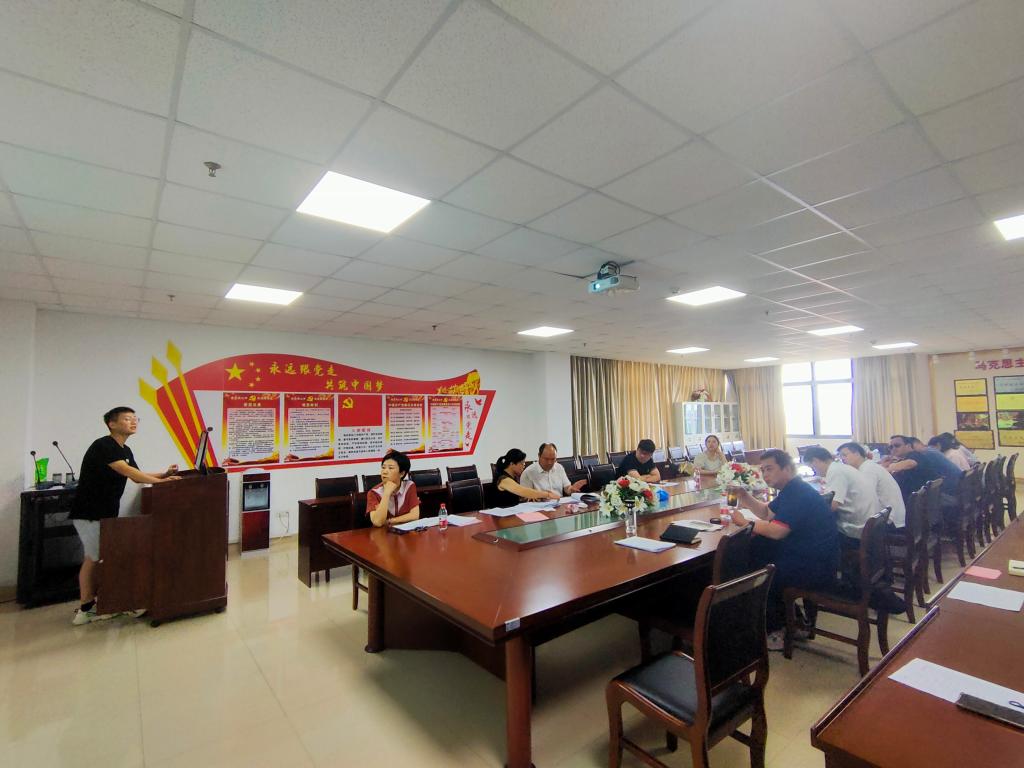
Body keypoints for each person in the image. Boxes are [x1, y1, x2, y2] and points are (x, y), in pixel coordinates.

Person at [70, 406, 179, 625]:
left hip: (105, 512)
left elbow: (138, 476)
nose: (133, 422)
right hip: (89, 512)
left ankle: (101, 603)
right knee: (95, 558)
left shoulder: (124, 450)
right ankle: (87, 608)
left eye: (135, 418)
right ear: (112, 424)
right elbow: (127, 471)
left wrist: (164, 474)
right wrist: (162, 483)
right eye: (127, 419)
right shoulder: (104, 445)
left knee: (97, 557)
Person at [731, 449, 838, 651]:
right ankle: (794, 620)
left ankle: (777, 630)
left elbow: (777, 531)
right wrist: (744, 496)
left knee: (761, 572)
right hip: (808, 555)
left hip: (815, 565)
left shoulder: (798, 494)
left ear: (787, 468)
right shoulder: (792, 489)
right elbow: (767, 513)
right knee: (758, 553)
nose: (765, 474)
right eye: (763, 470)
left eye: (769, 469)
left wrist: (745, 523)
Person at [802, 446, 876, 543]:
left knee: (811, 532)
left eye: (812, 468)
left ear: (816, 461)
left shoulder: (835, 472)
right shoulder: (840, 467)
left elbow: (832, 506)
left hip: (857, 531)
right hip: (868, 525)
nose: (814, 472)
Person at [838, 442, 906, 528]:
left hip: (890, 521)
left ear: (857, 454)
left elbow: (864, 498)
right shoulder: (868, 466)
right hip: (887, 515)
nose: (842, 459)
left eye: (844, 455)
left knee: (840, 523)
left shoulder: (867, 470)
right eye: (840, 457)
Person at [367, 450, 420, 527]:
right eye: (383, 467)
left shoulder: (409, 486)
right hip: (382, 533)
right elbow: (378, 522)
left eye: (390, 468)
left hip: (404, 531)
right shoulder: (373, 493)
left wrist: (390, 521)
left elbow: (415, 515)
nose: (384, 472)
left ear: (402, 473)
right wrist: (386, 493)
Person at [493, 449, 560, 507]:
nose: (524, 466)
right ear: (512, 464)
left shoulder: (514, 477)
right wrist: (547, 494)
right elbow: (523, 491)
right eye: (522, 463)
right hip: (502, 515)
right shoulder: (503, 479)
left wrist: (530, 497)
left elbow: (517, 495)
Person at [519, 443, 586, 496]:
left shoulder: (559, 468)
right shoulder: (528, 473)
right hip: (539, 506)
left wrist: (571, 489)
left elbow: (567, 488)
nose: (549, 463)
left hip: (559, 504)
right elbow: (525, 497)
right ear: (539, 456)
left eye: (553, 459)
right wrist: (541, 497)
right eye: (546, 459)